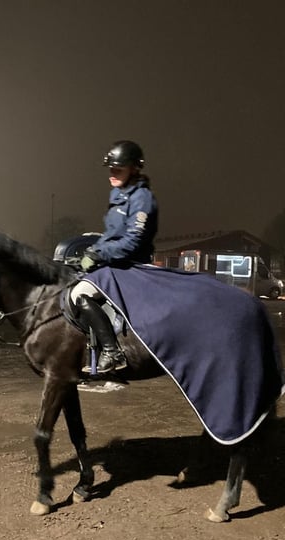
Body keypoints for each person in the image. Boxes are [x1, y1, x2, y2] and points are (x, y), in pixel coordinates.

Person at [70, 140, 159, 374]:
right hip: (115, 263)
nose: (112, 173)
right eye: (111, 168)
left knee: (81, 294)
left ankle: (112, 352)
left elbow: (132, 241)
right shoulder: (117, 194)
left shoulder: (142, 198)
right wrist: (90, 252)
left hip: (131, 265)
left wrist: (99, 254)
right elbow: (110, 235)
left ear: (134, 169)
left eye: (118, 169)